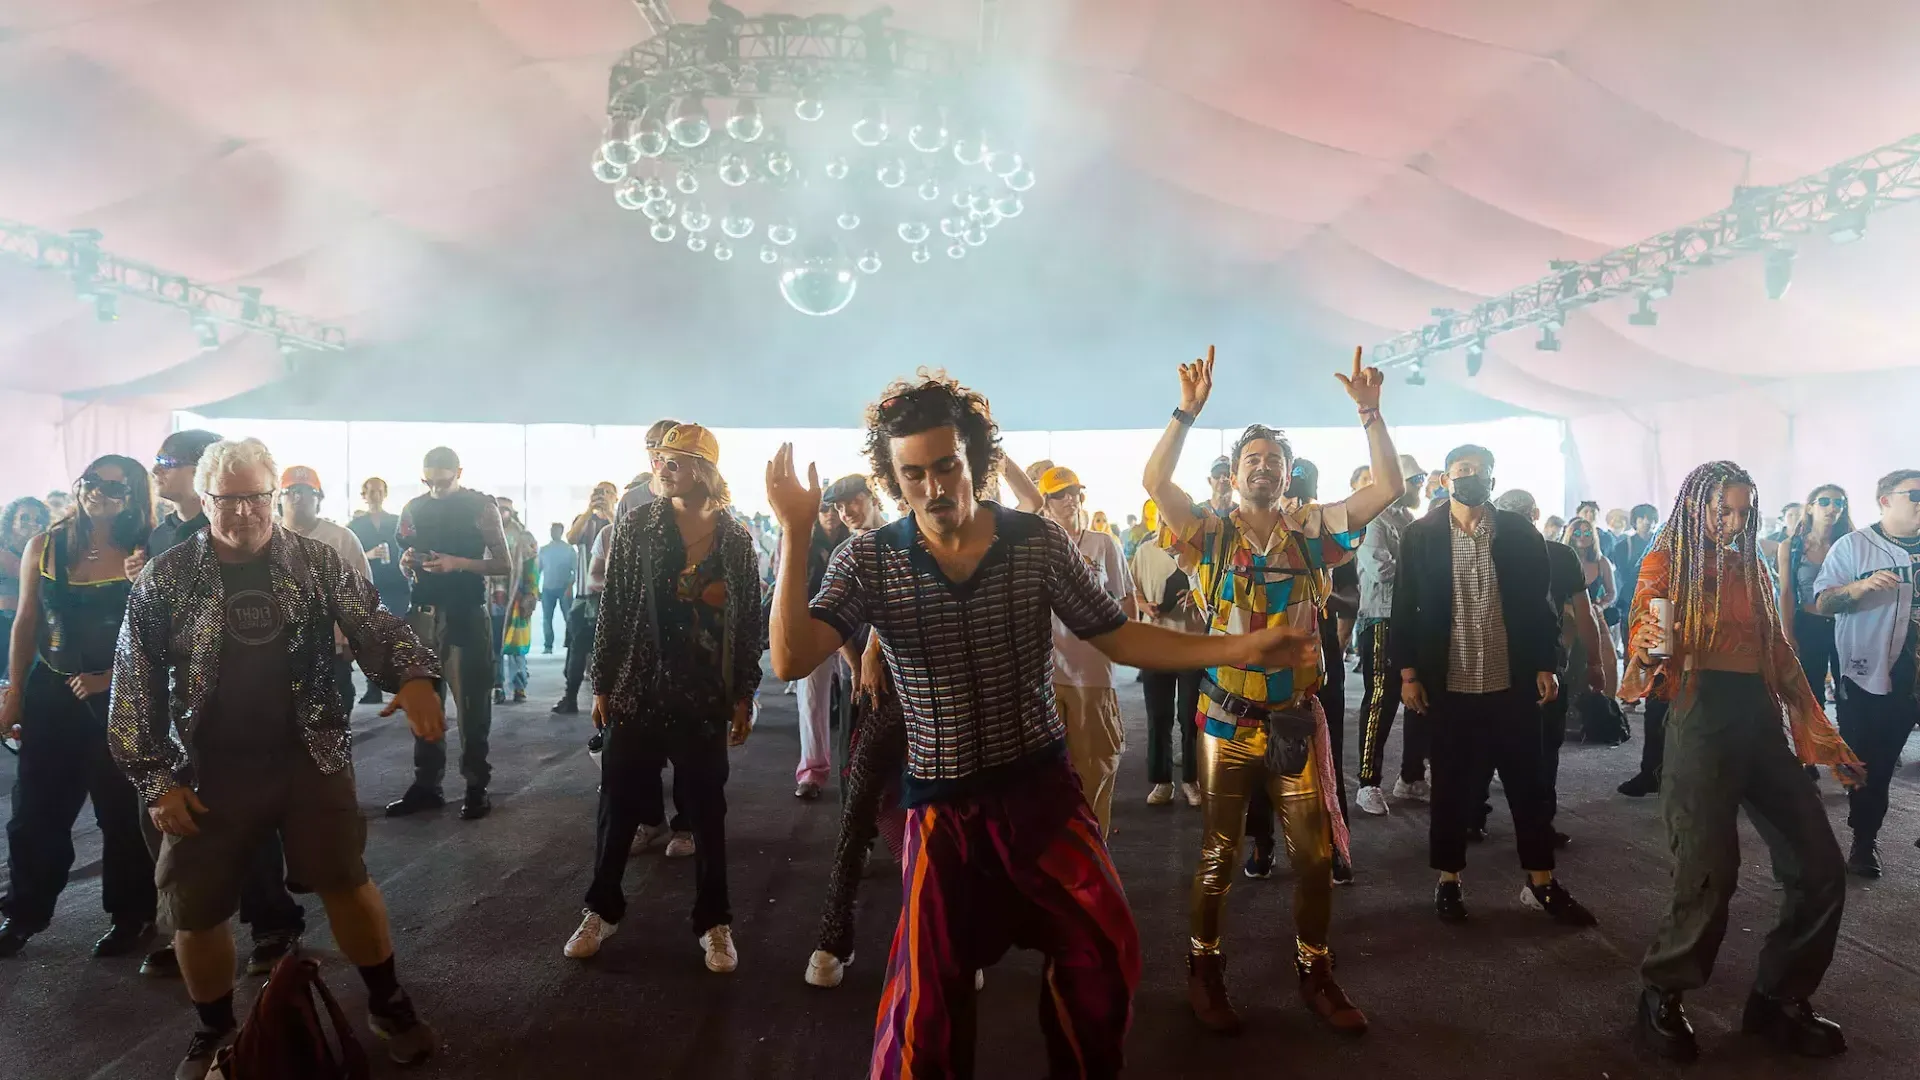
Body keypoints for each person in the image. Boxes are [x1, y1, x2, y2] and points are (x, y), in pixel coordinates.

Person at [769, 370, 1321, 1074]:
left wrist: (1240, 645)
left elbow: (1119, 635)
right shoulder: (870, 558)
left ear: (974, 458)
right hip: (941, 807)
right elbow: (790, 657)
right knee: (923, 1015)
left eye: (947, 466)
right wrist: (791, 530)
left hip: (1041, 790)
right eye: (913, 475)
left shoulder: (1036, 542)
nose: (934, 488)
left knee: (1102, 953)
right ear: (892, 479)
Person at [109, 437, 445, 1076]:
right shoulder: (167, 576)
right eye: (227, 500)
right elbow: (135, 680)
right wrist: (155, 781)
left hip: (308, 754)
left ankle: (388, 1001)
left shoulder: (316, 562)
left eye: (255, 497)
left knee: (347, 881)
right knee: (197, 909)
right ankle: (213, 1031)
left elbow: (373, 623)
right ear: (204, 500)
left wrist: (414, 673)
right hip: (205, 768)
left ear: (274, 495)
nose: (243, 513)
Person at [1144, 346, 1404, 1037]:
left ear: (1288, 475)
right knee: (1218, 854)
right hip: (1224, 719)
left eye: (1274, 460)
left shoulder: (1313, 531)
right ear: (1235, 474)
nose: (1263, 467)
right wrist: (1186, 414)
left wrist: (1370, 413)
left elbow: (1388, 488)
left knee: (1315, 857)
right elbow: (1154, 479)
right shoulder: (1207, 532)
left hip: (1292, 720)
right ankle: (1204, 967)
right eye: (1251, 458)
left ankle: (1316, 969)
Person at [1620, 460, 1858, 1063]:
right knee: (1708, 869)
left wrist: (1824, 739)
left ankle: (1778, 999)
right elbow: (1646, 637)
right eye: (1723, 509)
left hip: (1759, 720)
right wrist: (1648, 651)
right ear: (1695, 506)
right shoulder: (1666, 563)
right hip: (1701, 719)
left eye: (1743, 510)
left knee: (1820, 864)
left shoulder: (1750, 565)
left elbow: (1777, 653)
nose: (1734, 521)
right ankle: (1663, 992)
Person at [564, 424, 761, 975]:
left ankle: (714, 921)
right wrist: (601, 683)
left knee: (707, 811)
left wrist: (744, 692)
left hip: (703, 695)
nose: (662, 466)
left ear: (705, 470)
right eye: (661, 459)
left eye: (675, 460)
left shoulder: (736, 538)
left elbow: (745, 625)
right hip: (637, 687)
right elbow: (616, 610)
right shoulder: (637, 526)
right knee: (618, 804)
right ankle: (600, 909)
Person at [1392, 445, 1597, 929]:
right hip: (1449, 684)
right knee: (1451, 789)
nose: (1471, 479)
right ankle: (1448, 880)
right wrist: (1407, 675)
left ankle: (1541, 883)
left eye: (1479, 472)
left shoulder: (1518, 533)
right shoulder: (1421, 536)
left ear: (1492, 477)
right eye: (1461, 472)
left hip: (1510, 681)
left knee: (1529, 785)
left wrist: (1546, 665)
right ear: (1445, 479)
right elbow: (1405, 608)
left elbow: (1538, 608)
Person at [0, 456, 157, 960]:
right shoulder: (44, 545)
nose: (100, 491)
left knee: (120, 813)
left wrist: (112, 678)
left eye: (116, 485)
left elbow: (164, 632)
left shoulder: (149, 549)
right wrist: (14, 695)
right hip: (52, 690)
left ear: (134, 494)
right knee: (34, 811)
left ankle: (132, 915)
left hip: (122, 695)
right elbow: (26, 623)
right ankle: (24, 913)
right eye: (92, 480)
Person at [1242, 458, 1361, 881]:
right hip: (1263, 661)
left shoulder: (1323, 536)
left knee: (1323, 756)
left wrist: (1322, 595)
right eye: (1290, 495)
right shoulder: (1253, 534)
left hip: (1317, 660)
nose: (1294, 503)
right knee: (1259, 755)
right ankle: (1262, 843)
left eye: (1302, 496)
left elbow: (1353, 597)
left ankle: (1333, 844)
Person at [387, 447, 511, 822]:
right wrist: (407, 562)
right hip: (423, 614)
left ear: (459, 472)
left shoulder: (480, 507)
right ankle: (427, 784)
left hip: (465, 615)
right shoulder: (414, 507)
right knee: (425, 702)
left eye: (444, 480)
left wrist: (458, 564)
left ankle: (476, 786)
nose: (437, 487)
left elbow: (503, 563)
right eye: (430, 481)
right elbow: (403, 552)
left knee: (472, 707)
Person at [1812, 470, 1920, 879]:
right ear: (1885, 500)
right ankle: (1864, 839)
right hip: (1874, 674)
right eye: (1915, 495)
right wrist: (1859, 588)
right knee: (1872, 763)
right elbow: (1823, 602)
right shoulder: (1854, 547)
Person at [1487, 490, 1608, 847]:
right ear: (1535, 513)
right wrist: (1596, 662)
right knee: (1544, 747)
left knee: (1486, 739)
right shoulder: (1559, 554)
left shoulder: (1485, 552)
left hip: (1491, 661)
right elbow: (1585, 615)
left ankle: (1472, 817)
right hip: (1545, 662)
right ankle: (1540, 825)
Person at [1035, 465, 1133, 835]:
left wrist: (1124, 649)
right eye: (1060, 494)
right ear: (1046, 501)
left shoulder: (1103, 543)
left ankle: (1096, 850)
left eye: (1074, 491)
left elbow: (1126, 598)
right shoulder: (1038, 545)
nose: (1069, 498)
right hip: (1045, 675)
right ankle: (1059, 853)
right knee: (1049, 773)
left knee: (1097, 768)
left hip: (1094, 671)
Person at [1353, 455, 1426, 817]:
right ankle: (1367, 782)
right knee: (1381, 701)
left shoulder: (1408, 521)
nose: (1420, 486)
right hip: (1381, 618)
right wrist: (1420, 572)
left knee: (1419, 699)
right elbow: (1382, 570)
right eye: (1416, 480)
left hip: (1409, 618)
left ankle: (1411, 777)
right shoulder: (1373, 520)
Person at [277, 467, 374, 717]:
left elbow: (362, 594)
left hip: (331, 651)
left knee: (332, 727)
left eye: (307, 491)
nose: (298, 497)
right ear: (279, 497)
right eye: (291, 491)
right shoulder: (265, 538)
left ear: (319, 498)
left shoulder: (341, 539)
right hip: (278, 652)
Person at [1131, 499, 1204, 808]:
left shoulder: (1199, 553)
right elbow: (1132, 588)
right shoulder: (1145, 551)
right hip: (1155, 644)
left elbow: (1214, 592)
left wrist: (1196, 595)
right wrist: (1143, 605)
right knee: (1157, 717)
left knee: (1191, 718)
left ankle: (1191, 779)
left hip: (1191, 645)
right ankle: (1162, 781)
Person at [790, 495, 851, 800]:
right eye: (825, 509)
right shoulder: (803, 542)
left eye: (835, 508)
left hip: (855, 628)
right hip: (814, 627)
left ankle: (860, 773)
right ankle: (812, 772)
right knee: (812, 700)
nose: (831, 514)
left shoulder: (855, 538)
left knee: (862, 700)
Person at [1781, 486, 1852, 709]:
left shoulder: (1851, 544)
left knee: (1848, 690)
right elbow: (1786, 593)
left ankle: (1849, 741)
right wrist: (1788, 633)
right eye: (1824, 502)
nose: (1832, 508)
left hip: (1845, 623)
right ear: (1810, 507)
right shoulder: (1792, 547)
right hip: (1809, 623)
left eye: (1838, 503)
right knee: (1810, 693)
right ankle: (1816, 742)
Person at [557, 482, 618, 715]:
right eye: (598, 493)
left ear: (616, 496)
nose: (602, 497)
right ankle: (569, 698)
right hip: (584, 597)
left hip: (611, 598)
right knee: (576, 649)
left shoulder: (620, 521)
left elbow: (623, 534)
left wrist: (611, 513)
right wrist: (588, 510)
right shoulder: (585, 522)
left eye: (607, 493)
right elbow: (571, 538)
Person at [0, 497, 51, 682]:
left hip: (31, 627)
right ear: (11, 520)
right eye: (24, 517)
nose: (31, 523)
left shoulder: (46, 555)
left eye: (37, 520)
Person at [500, 509, 539, 704]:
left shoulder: (524, 537)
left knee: (516, 649)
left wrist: (530, 596)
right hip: (490, 601)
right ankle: (496, 687)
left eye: (504, 509)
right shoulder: (484, 535)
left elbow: (532, 569)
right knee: (492, 648)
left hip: (517, 600)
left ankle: (519, 687)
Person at [538, 522, 576, 654]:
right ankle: (548, 645)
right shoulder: (543, 550)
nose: (553, 532)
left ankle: (572, 643)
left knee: (569, 618)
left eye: (556, 530)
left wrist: (570, 586)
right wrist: (534, 588)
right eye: (552, 530)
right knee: (547, 618)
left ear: (561, 532)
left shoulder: (569, 550)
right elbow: (537, 570)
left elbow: (575, 571)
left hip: (564, 588)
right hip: (547, 589)